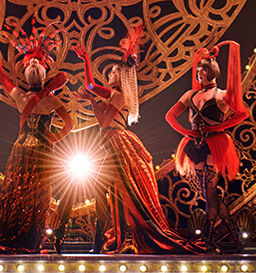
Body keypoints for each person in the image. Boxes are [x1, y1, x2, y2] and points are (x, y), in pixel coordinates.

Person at [65, 24, 204, 254]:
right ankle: (108, 239)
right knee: (108, 191)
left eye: (112, 73)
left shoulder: (119, 96)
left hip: (117, 144)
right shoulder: (114, 94)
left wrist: (92, 101)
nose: (109, 75)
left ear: (121, 77)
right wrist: (86, 61)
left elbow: (103, 122)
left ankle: (117, 239)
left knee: (116, 192)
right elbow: (90, 86)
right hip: (112, 144)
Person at [0, 22, 74, 253]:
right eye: (31, 64)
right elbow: (0, 75)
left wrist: (55, 138)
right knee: (24, 192)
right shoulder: (27, 96)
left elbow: (70, 124)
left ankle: (30, 235)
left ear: (43, 73)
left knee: (34, 192)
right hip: (30, 151)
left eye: (36, 64)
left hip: (33, 151)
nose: (34, 65)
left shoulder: (40, 98)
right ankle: (25, 235)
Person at [165, 41, 248, 252]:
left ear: (211, 72)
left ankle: (208, 238)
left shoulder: (223, 95)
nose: (199, 74)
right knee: (206, 191)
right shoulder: (190, 95)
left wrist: (220, 127)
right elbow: (170, 116)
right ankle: (233, 236)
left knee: (209, 190)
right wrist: (187, 132)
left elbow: (242, 113)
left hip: (215, 144)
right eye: (198, 71)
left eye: (202, 71)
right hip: (196, 144)